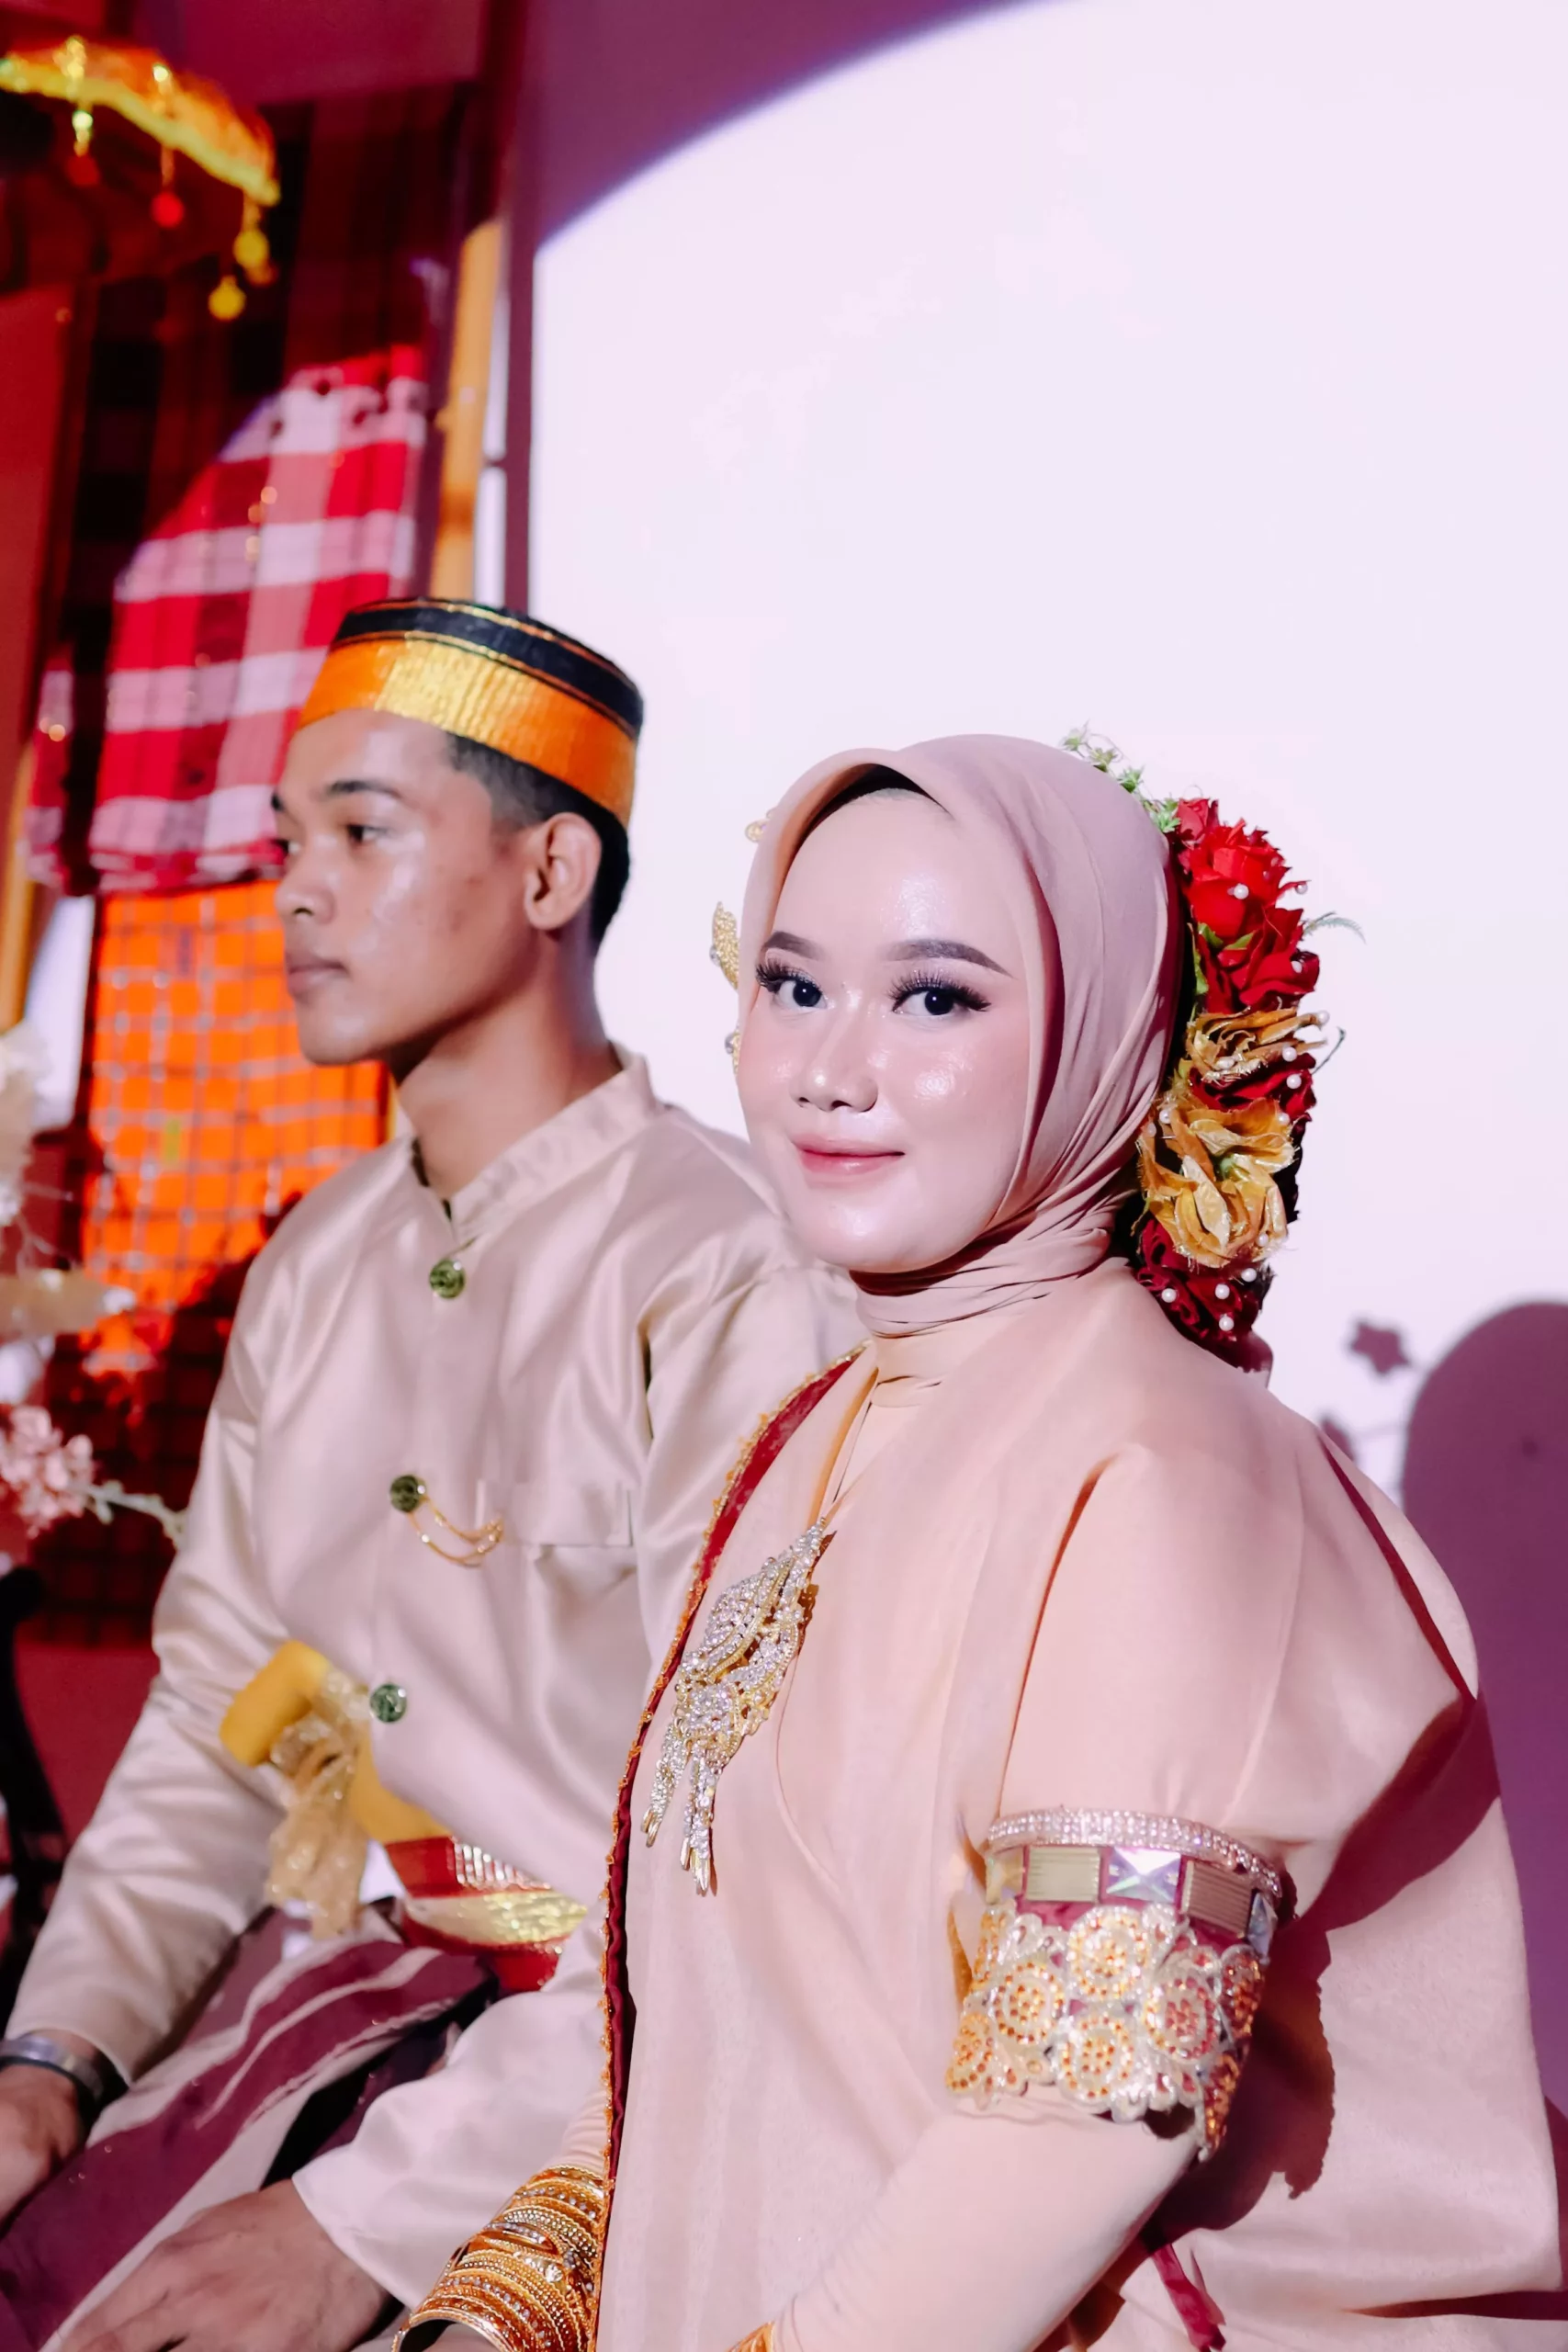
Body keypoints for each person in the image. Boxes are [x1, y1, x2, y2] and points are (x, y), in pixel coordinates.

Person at [406, 735, 1560, 2352]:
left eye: (935, 999)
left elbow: (1078, 2122)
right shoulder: (810, 1435)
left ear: (1107, 1041)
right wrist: (507, 2304)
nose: (828, 1070)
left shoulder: (1165, 1475)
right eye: (793, 987)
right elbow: (706, 2026)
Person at [0, 601, 853, 2352]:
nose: (297, 894)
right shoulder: (316, 1263)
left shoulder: (725, 1271)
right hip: (350, 1993)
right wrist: (46, 2063)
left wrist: (355, 2227)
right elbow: (222, 1721)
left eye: (363, 832)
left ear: (550, 870)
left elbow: (735, 1849)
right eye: (285, 845)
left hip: (629, 2067)